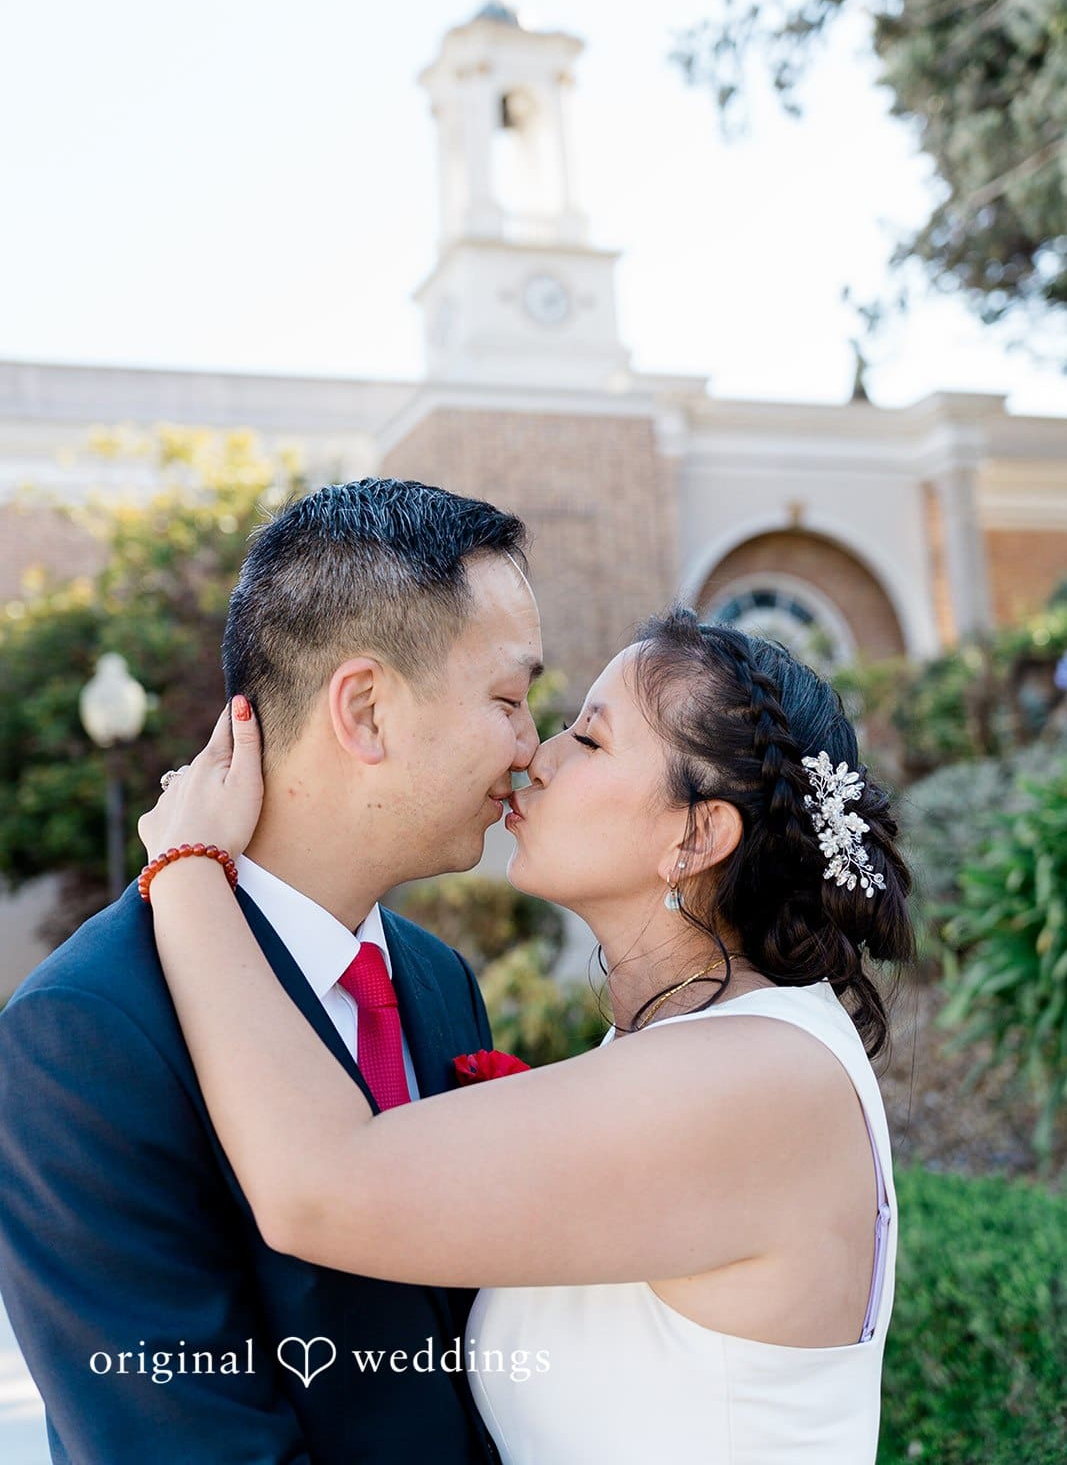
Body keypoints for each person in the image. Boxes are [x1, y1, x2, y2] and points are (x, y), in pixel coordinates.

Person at [137, 605, 915, 1465]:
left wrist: (187, 869)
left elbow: (315, 1189)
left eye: (587, 740)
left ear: (694, 835)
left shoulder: (752, 1079)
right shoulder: (697, 1050)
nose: (532, 758)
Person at [0, 478, 544, 1465]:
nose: (529, 747)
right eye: (508, 699)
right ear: (366, 710)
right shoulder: (81, 1029)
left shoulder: (434, 979)